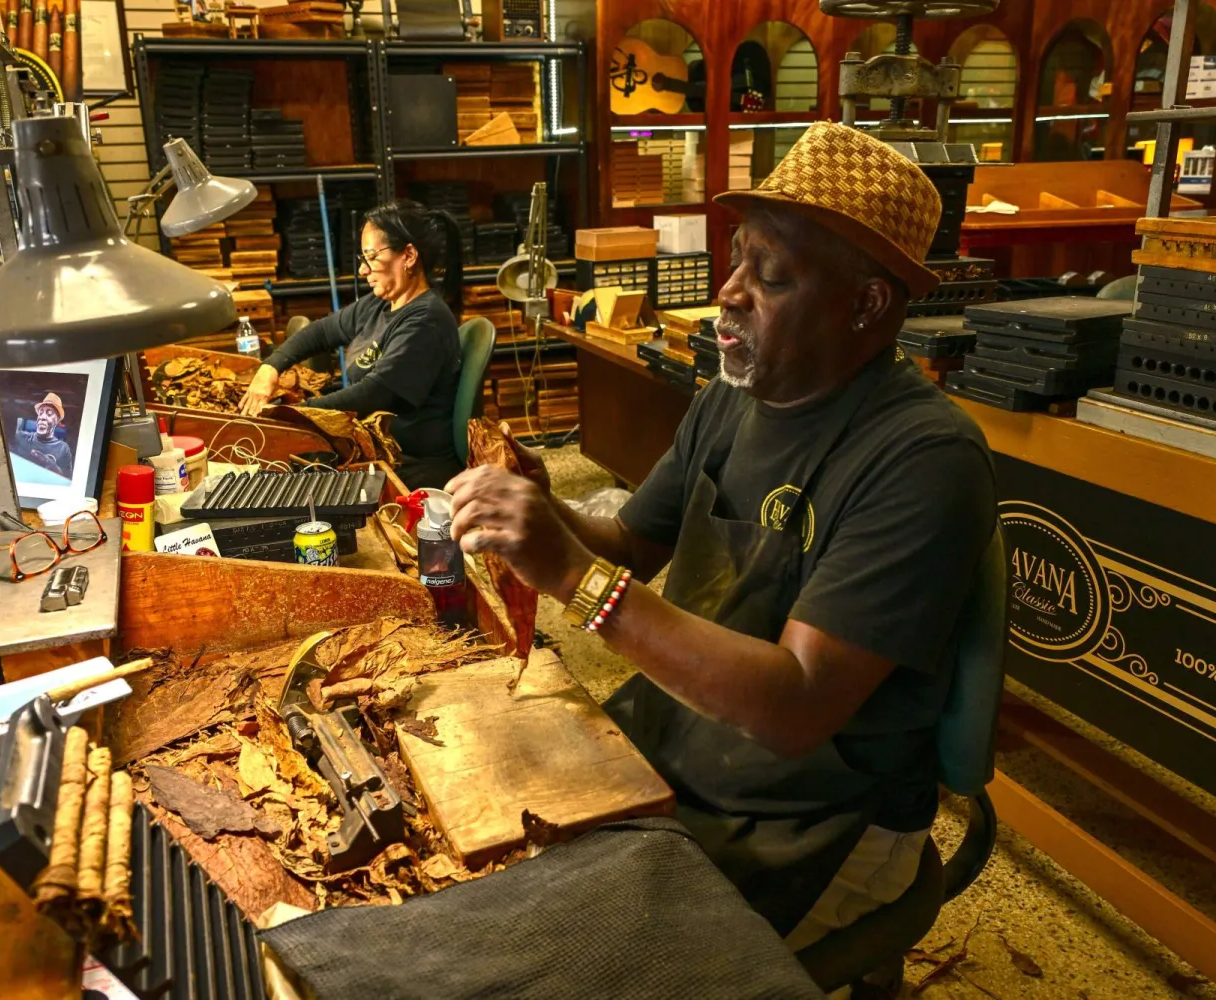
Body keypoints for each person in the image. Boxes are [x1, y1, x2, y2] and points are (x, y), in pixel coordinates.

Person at [445, 124, 998, 962]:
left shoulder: (922, 460)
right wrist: (543, 508)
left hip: (814, 816)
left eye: (769, 275)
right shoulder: (730, 399)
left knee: (567, 964)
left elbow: (794, 707)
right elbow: (631, 541)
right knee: (471, 876)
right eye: (735, 260)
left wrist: (572, 578)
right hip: (686, 745)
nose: (728, 294)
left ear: (866, 304)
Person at [240, 200, 465, 489]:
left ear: (408, 255)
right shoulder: (377, 304)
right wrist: (270, 367)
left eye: (371, 256)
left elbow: (373, 394)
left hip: (407, 467)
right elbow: (321, 332)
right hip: (372, 449)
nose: (362, 270)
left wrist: (294, 415)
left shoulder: (425, 321)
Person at [16, 391, 74, 479]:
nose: (42, 417)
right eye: (40, 413)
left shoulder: (63, 448)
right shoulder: (21, 437)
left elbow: (67, 479)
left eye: (49, 414)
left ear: (57, 421)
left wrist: (49, 463)